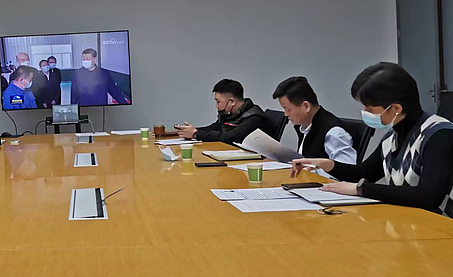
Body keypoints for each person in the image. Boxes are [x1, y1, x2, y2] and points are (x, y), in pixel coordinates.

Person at [292, 63, 453, 215]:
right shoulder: (393, 136)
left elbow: (428, 197)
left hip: (440, 224)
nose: (364, 112)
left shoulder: (439, 134)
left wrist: (361, 189)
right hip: (408, 219)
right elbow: (366, 172)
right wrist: (326, 164)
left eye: (370, 108)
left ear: (396, 108)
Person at [272, 76, 357, 164]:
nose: (286, 114)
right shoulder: (305, 127)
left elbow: (346, 170)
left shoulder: (334, 133)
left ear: (306, 106)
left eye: (288, 109)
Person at [177, 79, 270, 144]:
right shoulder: (231, 115)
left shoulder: (255, 118)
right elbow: (214, 128)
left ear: (232, 102)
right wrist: (191, 131)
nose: (216, 106)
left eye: (218, 102)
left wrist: (195, 134)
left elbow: (229, 137)